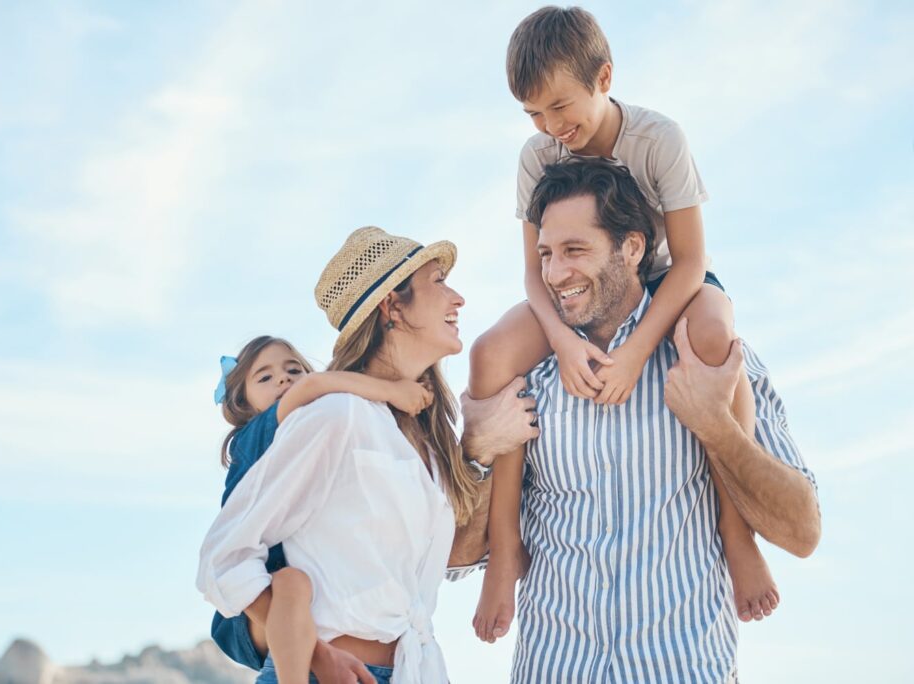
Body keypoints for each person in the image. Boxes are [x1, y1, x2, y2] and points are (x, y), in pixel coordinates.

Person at [471, 6, 775, 641]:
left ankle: (735, 530)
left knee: (714, 333)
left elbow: (690, 260)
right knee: (492, 354)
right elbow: (534, 273)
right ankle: (504, 549)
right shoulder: (537, 157)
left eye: (560, 106)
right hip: (572, 290)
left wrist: (638, 348)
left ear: (604, 76)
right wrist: (560, 338)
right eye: (534, 115)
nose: (552, 128)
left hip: (666, 277)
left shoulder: (658, 138)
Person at [455, 158, 820, 682]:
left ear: (631, 248)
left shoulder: (707, 357)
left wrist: (715, 425)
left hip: (682, 665)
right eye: (547, 255)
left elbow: (803, 532)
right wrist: (475, 451)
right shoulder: (525, 366)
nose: (556, 274)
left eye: (575, 250)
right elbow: (452, 552)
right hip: (555, 665)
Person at [198, 227, 499, 683]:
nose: (456, 298)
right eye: (437, 281)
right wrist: (317, 656)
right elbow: (224, 555)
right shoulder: (336, 415)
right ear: (392, 306)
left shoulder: (423, 443)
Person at [208, 335, 435, 683]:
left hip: (294, 605)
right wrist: (392, 391)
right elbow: (313, 386)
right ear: (244, 402)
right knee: (292, 583)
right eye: (264, 377)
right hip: (254, 603)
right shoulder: (260, 429)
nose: (283, 379)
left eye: (292, 369)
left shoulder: (307, 430)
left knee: (298, 583)